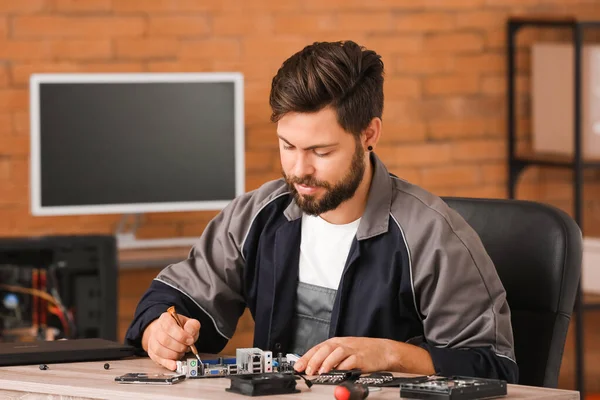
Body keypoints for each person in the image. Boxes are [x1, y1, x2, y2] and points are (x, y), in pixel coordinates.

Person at [125, 40, 518, 383]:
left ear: (369, 135)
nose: (299, 170)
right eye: (287, 146)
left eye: (321, 152)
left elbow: (493, 366)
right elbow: (172, 301)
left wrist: (390, 355)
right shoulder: (256, 217)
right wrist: (160, 333)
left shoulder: (433, 237)